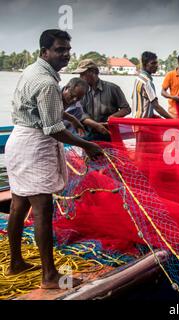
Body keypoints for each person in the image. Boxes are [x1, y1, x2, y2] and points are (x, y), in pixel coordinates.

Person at [4, 29, 102, 289]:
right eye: (59, 50)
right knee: (42, 210)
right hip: (34, 148)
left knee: (18, 206)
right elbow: (54, 130)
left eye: (68, 50)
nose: (66, 55)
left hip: (20, 141)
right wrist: (87, 145)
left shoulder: (35, 71)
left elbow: (50, 109)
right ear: (44, 52)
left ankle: (16, 263)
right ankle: (49, 276)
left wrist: (70, 117)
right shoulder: (47, 82)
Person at [72, 59, 131, 141]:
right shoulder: (81, 91)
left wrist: (112, 118)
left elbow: (126, 109)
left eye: (82, 74)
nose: (80, 78)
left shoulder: (113, 88)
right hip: (89, 134)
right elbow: (80, 113)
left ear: (93, 72)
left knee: (112, 154)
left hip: (110, 133)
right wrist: (95, 125)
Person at [132, 51, 171, 119]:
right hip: (143, 124)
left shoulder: (138, 78)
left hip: (136, 120)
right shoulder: (147, 82)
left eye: (156, 63)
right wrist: (171, 120)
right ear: (145, 64)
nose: (156, 65)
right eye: (153, 63)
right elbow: (156, 106)